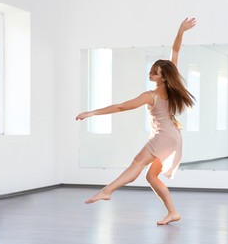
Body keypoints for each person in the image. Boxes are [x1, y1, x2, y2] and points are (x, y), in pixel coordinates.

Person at [76, 18, 196, 225]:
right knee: (151, 177)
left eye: (155, 72)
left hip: (164, 136)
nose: (151, 73)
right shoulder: (171, 87)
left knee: (136, 164)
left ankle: (107, 191)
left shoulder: (151, 95)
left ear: (163, 77)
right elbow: (174, 52)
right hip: (174, 137)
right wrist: (180, 31)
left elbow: (122, 107)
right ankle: (172, 212)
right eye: (151, 70)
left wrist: (92, 112)